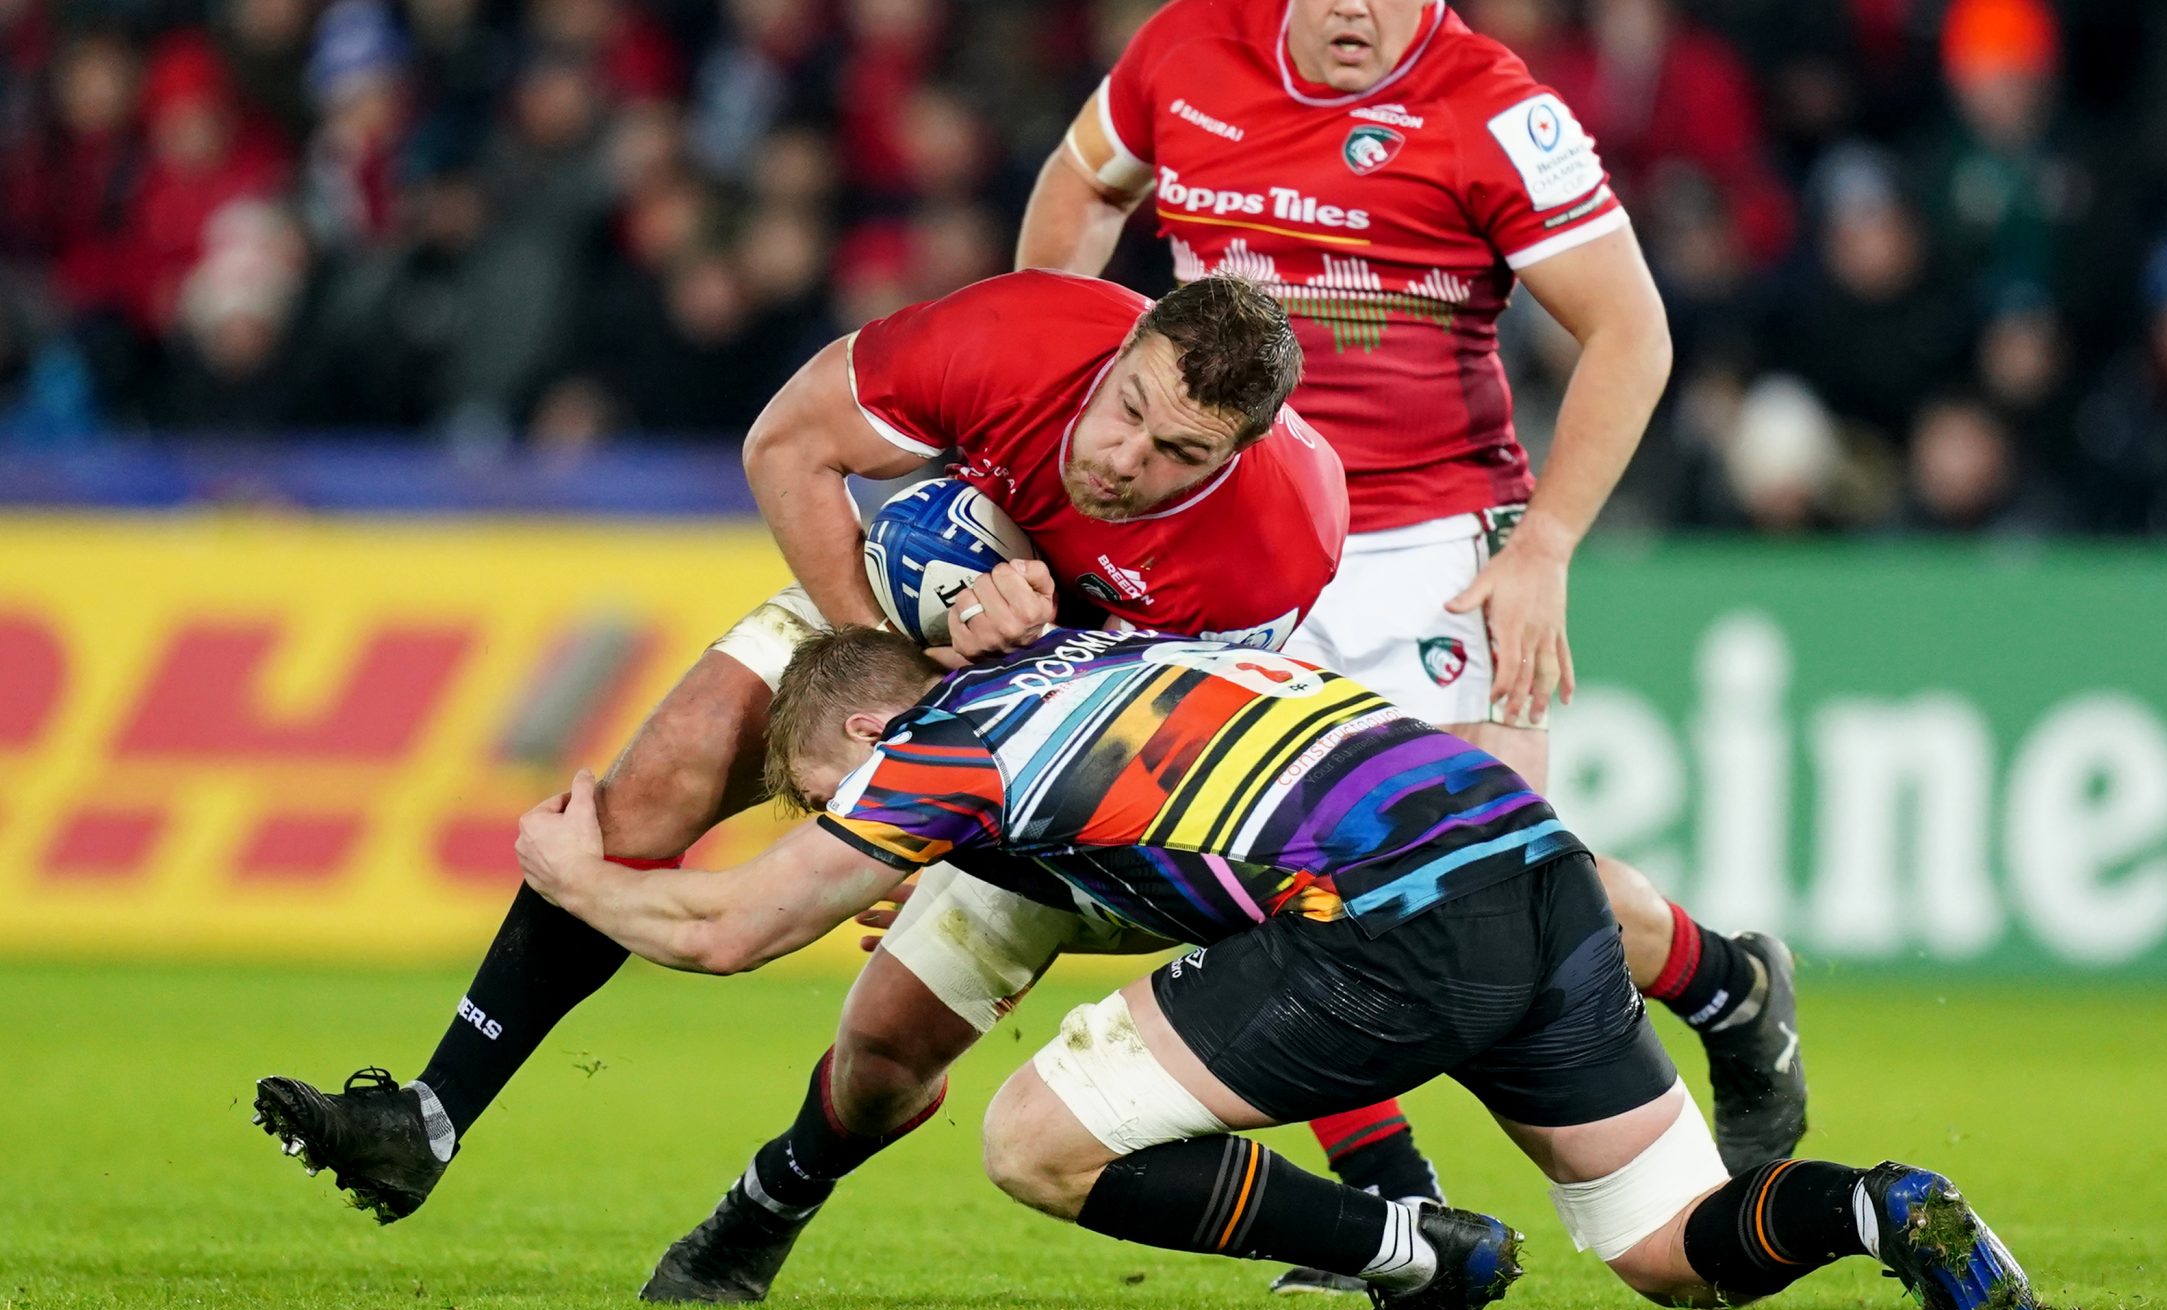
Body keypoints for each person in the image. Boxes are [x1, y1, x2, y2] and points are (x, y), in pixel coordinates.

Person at [1012, 0, 1808, 1293]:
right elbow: (1080, 188)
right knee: (1282, 883)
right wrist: (1067, 390)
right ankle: (1393, 1195)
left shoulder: (1498, 113)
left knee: (1495, 896)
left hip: (1436, 546)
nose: (1350, 2)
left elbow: (1633, 331)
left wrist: (1547, 541)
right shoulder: (1185, 52)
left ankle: (1723, 981)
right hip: (1243, 545)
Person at [515, 624, 2038, 1310]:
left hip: (1392, 926)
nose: (849, 823)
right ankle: (1883, 1206)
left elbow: (730, 932)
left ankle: (1417, 1252)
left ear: (856, 742)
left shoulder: (933, 748)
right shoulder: (1127, 653)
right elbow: (1206, 867)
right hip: (1539, 872)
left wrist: (569, 874)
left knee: (1034, 1139)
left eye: (822, 794)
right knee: (1672, 1250)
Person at [253, 271, 1349, 1256]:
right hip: (903, 623)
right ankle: (428, 1117)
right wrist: (891, 662)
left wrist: (948, 788)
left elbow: (1151, 769)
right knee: (644, 801)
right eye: (1128, 410)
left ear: (1238, 452)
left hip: (1072, 734)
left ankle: (769, 1205)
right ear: (1118, 354)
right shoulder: (1016, 334)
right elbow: (785, 445)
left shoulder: (1278, 542)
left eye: (1179, 455)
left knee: (884, 1053)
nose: (1124, 459)